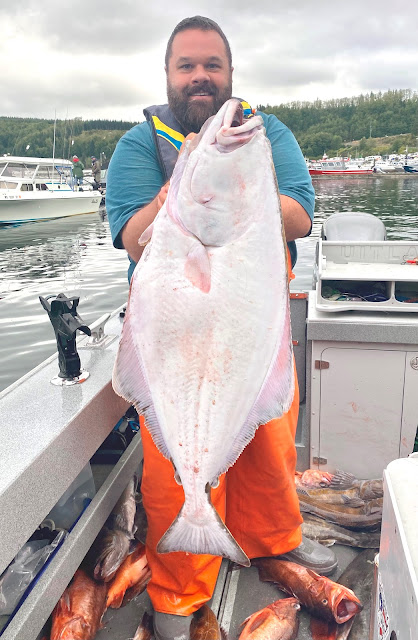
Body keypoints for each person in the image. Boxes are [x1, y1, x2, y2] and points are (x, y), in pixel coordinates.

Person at [107, 16, 336, 640]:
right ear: (169, 75)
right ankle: (181, 587)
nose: (200, 76)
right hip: (174, 334)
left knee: (268, 442)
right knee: (171, 467)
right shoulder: (138, 146)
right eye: (187, 65)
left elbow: (300, 214)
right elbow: (132, 235)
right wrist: (182, 188)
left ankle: (275, 542)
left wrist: (236, 186)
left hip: (246, 322)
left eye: (213, 64)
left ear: (230, 73)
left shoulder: (263, 133)